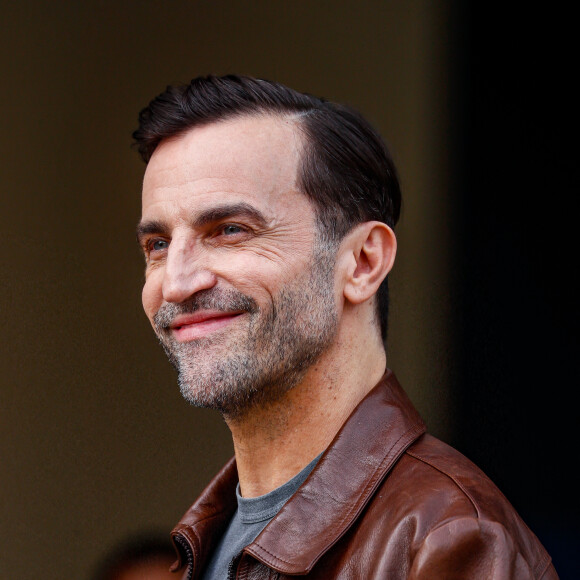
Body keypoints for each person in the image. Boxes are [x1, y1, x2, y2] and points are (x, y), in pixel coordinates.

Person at [132, 75, 558, 579]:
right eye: (158, 244)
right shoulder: (208, 540)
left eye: (229, 231)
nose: (177, 283)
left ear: (361, 262)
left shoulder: (450, 538)